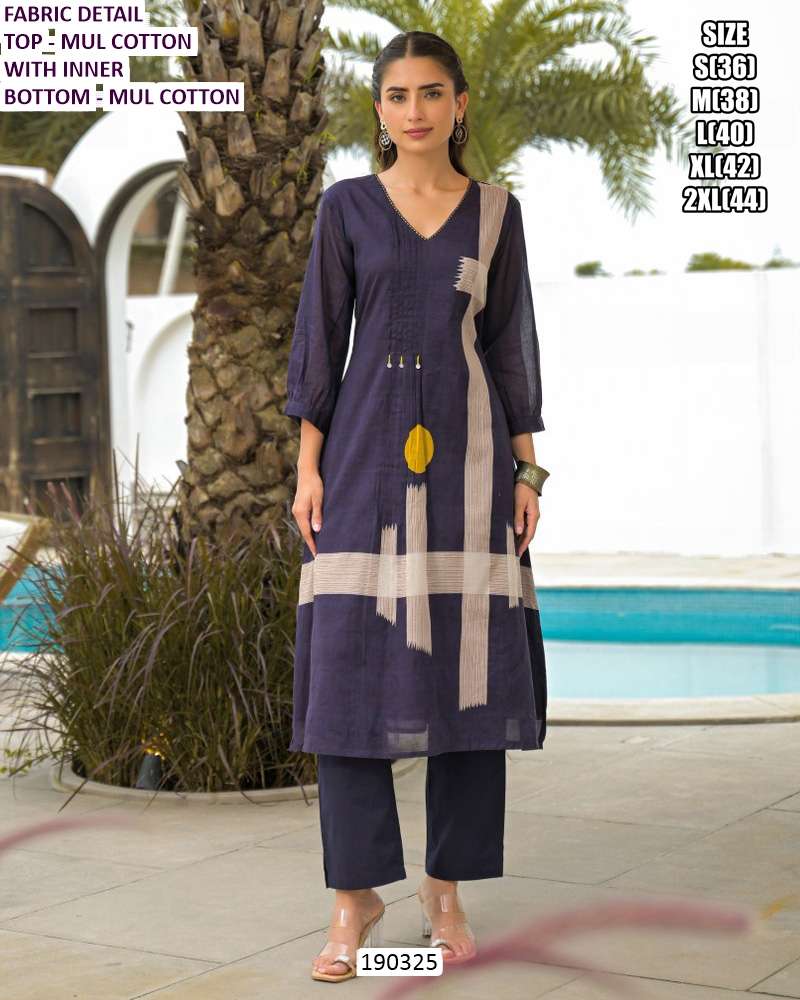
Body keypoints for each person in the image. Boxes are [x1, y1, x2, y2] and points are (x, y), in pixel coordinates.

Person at [284, 29, 550, 983]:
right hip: (360, 464)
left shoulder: (496, 213)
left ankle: (445, 887)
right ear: (380, 111)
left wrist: (528, 473)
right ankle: (353, 895)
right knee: (346, 674)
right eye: (397, 96)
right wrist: (307, 470)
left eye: (431, 93)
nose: (415, 111)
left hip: (472, 468)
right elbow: (320, 341)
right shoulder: (346, 208)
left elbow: (510, 345)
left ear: (460, 103)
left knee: (473, 679)